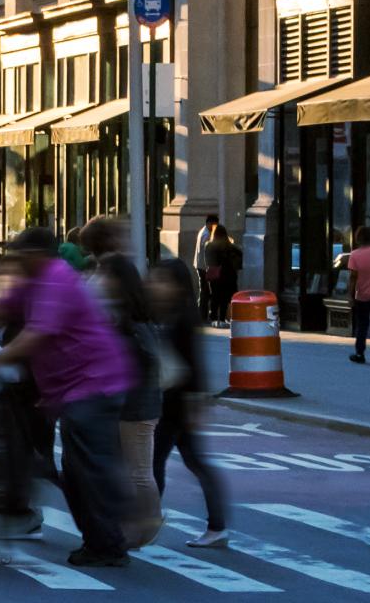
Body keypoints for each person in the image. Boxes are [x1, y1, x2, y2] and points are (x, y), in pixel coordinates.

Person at [0, 227, 135, 566]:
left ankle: (110, 542)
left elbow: (34, 336)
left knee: (86, 467)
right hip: (75, 387)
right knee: (75, 469)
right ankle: (102, 540)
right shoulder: (36, 282)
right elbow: (1, 308)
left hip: (94, 383)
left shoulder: (55, 278)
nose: (15, 261)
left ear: (38, 256)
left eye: (21, 256)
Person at [82, 217, 162, 549]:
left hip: (134, 403)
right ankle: (133, 525)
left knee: (138, 471)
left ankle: (145, 529)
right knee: (130, 469)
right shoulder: (138, 318)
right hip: (135, 401)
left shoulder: (128, 325)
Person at [148, 257, 231, 549]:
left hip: (178, 402)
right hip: (175, 400)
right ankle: (215, 525)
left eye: (162, 280)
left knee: (157, 461)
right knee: (190, 462)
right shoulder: (170, 313)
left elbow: (194, 362)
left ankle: (149, 519)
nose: (156, 286)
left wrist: (197, 401)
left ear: (177, 285)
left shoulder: (183, 316)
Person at [347, 227, 370, 365]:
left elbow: (353, 277)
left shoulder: (355, 254)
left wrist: (350, 295)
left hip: (362, 295)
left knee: (362, 325)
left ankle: (360, 353)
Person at [201, 225, 242, 328]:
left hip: (215, 275)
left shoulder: (209, 246)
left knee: (215, 296)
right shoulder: (230, 246)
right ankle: (222, 318)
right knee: (225, 297)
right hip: (228, 276)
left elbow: (207, 261)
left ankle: (214, 318)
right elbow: (240, 256)